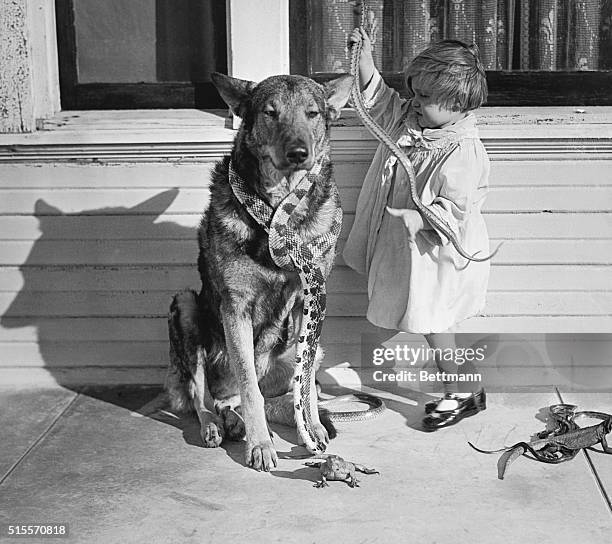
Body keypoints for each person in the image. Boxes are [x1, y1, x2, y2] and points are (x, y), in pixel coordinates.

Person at [343, 28, 491, 431]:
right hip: (404, 247)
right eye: (415, 93)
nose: (415, 102)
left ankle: (464, 391)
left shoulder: (460, 149)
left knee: (434, 321)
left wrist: (421, 217)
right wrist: (365, 61)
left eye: (425, 97)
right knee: (414, 314)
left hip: (433, 250)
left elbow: (457, 206)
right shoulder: (410, 117)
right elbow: (379, 100)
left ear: (457, 103)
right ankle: (458, 385)